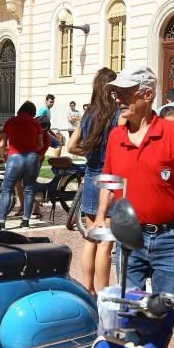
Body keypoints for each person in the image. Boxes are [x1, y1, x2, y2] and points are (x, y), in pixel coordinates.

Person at [92, 66, 174, 348]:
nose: (118, 98)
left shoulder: (172, 133)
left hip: (171, 237)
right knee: (132, 307)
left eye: (126, 92)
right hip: (130, 237)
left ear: (147, 95)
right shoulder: (117, 135)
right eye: (116, 92)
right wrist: (101, 217)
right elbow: (111, 179)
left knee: (168, 305)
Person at [66, 67, 119, 296]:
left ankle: (88, 288)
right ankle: (104, 291)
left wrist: (88, 153)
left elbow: (71, 146)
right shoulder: (118, 115)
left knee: (91, 238)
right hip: (111, 178)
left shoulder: (87, 115)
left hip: (90, 176)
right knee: (106, 242)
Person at [0, 101, 44, 229]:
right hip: (32, 158)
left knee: (7, 190)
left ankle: (1, 222)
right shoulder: (35, 123)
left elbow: (1, 144)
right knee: (29, 189)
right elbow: (40, 144)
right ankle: (25, 221)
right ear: (32, 112)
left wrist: (3, 156)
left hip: (14, 157)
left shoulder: (11, 122)